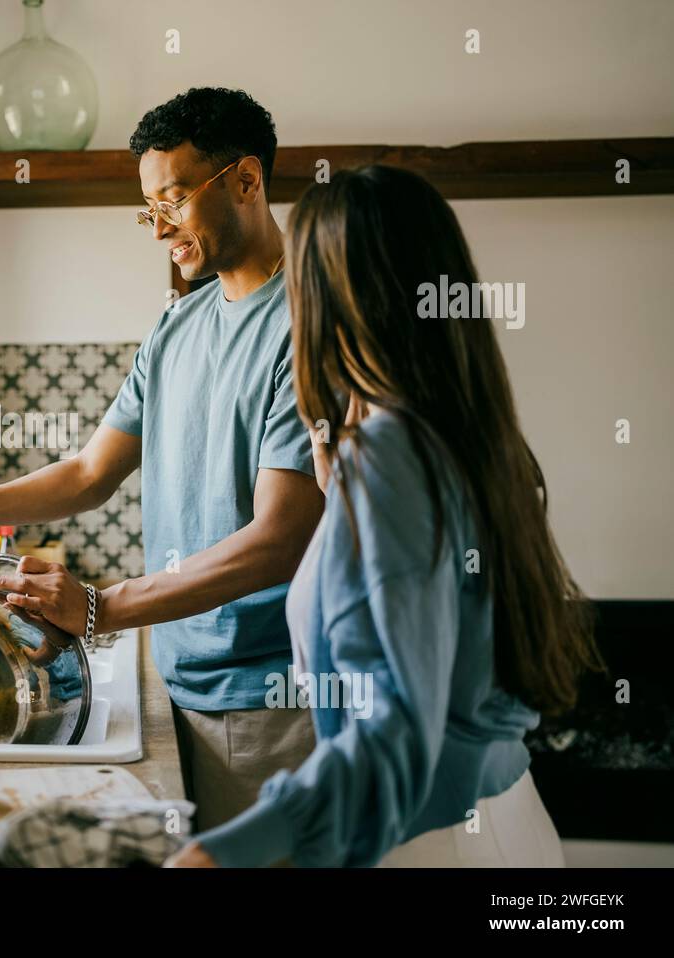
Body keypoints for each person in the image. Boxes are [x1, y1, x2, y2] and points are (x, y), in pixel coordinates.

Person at [0, 88, 325, 828]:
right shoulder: (177, 327)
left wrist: (102, 607)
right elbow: (91, 472)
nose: (159, 227)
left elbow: (280, 540)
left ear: (247, 180)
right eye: (148, 207)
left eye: (174, 199)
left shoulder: (310, 327)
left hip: (270, 705)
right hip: (179, 682)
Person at [165, 165, 602, 867]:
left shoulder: (392, 454)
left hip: (431, 840)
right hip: (502, 820)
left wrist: (218, 855)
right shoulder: (458, 435)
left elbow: (392, 731)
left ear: (340, 295)